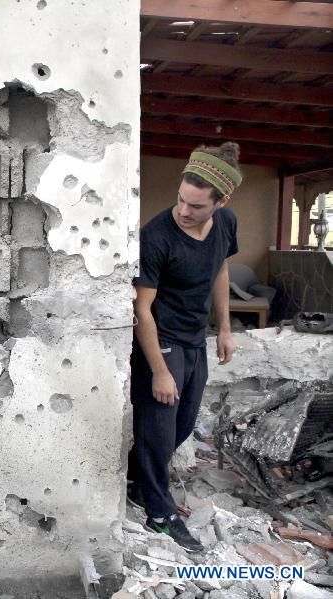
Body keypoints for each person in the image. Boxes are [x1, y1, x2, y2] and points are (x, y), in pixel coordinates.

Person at [127, 142, 242, 552]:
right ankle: (160, 513)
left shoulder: (226, 223)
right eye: (181, 200)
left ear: (220, 201)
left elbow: (221, 268)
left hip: (196, 339)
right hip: (162, 340)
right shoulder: (156, 236)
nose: (184, 211)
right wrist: (158, 369)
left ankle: (136, 480)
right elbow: (142, 308)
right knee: (158, 429)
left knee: (183, 424)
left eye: (196, 205)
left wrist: (224, 328)